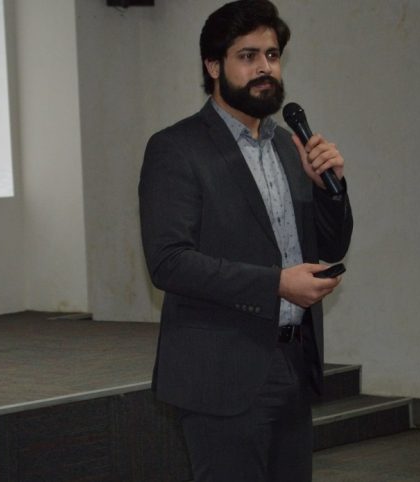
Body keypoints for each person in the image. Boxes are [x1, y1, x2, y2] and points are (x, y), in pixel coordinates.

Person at [138, 1, 353, 480]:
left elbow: (331, 247)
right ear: (213, 66)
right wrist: (277, 284)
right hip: (221, 374)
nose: (264, 68)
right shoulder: (176, 148)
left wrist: (331, 190)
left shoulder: (288, 147)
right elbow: (169, 262)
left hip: (293, 362)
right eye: (248, 56)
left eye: (272, 56)